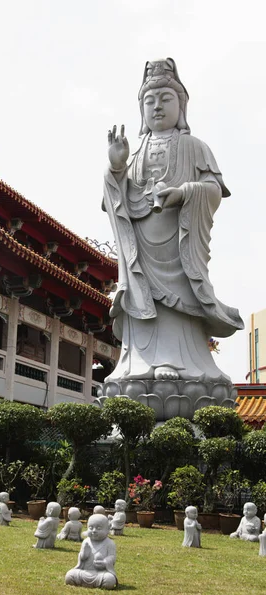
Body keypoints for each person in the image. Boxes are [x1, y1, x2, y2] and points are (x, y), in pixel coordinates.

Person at [103, 58, 243, 386]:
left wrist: (183, 194)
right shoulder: (133, 152)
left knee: (178, 306)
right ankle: (139, 363)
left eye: (166, 99)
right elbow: (116, 200)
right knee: (144, 306)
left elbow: (213, 190)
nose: (157, 107)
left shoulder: (195, 147)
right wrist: (117, 167)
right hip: (142, 256)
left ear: (181, 106)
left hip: (180, 250)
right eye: (149, 101)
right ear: (141, 109)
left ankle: (183, 362)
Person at [65, 514, 117, 589]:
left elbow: (112, 557)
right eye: (91, 527)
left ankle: (100, 582)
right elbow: (81, 558)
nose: (94, 531)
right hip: (85, 572)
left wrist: (104, 562)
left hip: (100, 573)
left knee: (109, 579)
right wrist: (83, 555)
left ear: (108, 529)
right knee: (69, 575)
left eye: (98, 528)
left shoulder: (109, 543)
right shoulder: (86, 542)